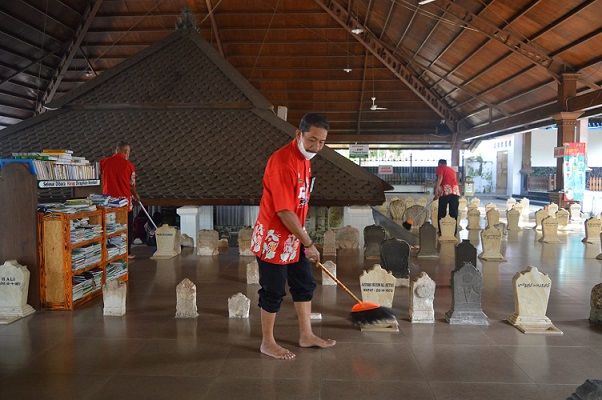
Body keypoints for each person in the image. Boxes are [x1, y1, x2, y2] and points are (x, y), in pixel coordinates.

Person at [250, 113, 336, 360]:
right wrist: (309, 243)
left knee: (304, 283)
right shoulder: (283, 162)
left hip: (294, 235)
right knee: (273, 290)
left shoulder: (305, 160)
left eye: (321, 142)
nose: (316, 147)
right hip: (273, 238)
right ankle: (267, 342)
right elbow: (284, 211)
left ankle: (306, 335)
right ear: (298, 134)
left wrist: (302, 239)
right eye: (312, 140)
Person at [100, 141, 140, 259]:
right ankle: (127, 252)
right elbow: (131, 185)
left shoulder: (104, 162)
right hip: (124, 202)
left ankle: (109, 252)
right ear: (126, 152)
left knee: (110, 227)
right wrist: (136, 195)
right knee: (126, 227)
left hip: (108, 202)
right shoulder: (129, 166)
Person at [434, 159, 461, 235]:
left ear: (440, 164)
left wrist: (436, 190)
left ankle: (441, 231)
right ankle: (453, 231)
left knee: (442, 211)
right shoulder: (451, 170)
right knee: (454, 212)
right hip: (455, 191)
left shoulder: (440, 167)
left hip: (446, 191)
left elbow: (440, 178)